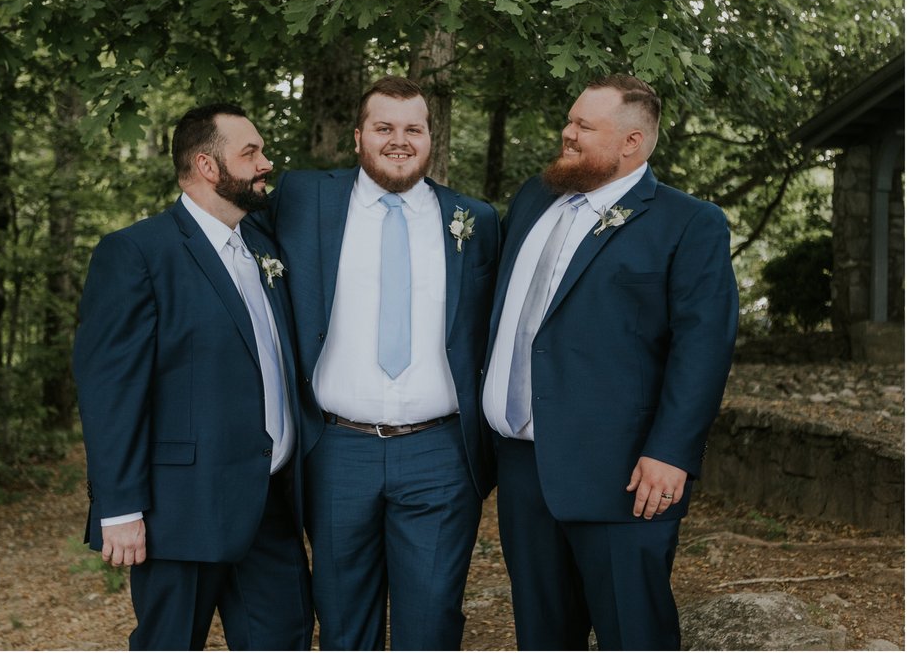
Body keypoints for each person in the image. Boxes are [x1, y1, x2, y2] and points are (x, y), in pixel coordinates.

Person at [483, 74, 739, 650]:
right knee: (544, 634)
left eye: (584, 127)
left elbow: (704, 346)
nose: (566, 134)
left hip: (624, 472)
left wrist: (671, 452)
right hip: (523, 467)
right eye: (570, 120)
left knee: (633, 631)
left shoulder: (688, 223)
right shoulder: (533, 198)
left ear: (632, 143)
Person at [261, 76, 500, 650]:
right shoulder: (302, 199)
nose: (399, 140)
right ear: (358, 136)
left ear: (431, 137)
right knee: (343, 621)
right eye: (384, 127)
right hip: (337, 451)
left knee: (433, 621)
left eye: (413, 128)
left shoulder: (474, 220)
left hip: (440, 454)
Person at [72, 104, 313, 650]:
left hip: (269, 505)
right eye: (250, 152)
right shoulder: (137, 252)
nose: (266, 163)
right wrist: (121, 508)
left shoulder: (263, 247)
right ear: (207, 165)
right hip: (179, 510)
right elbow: (111, 390)